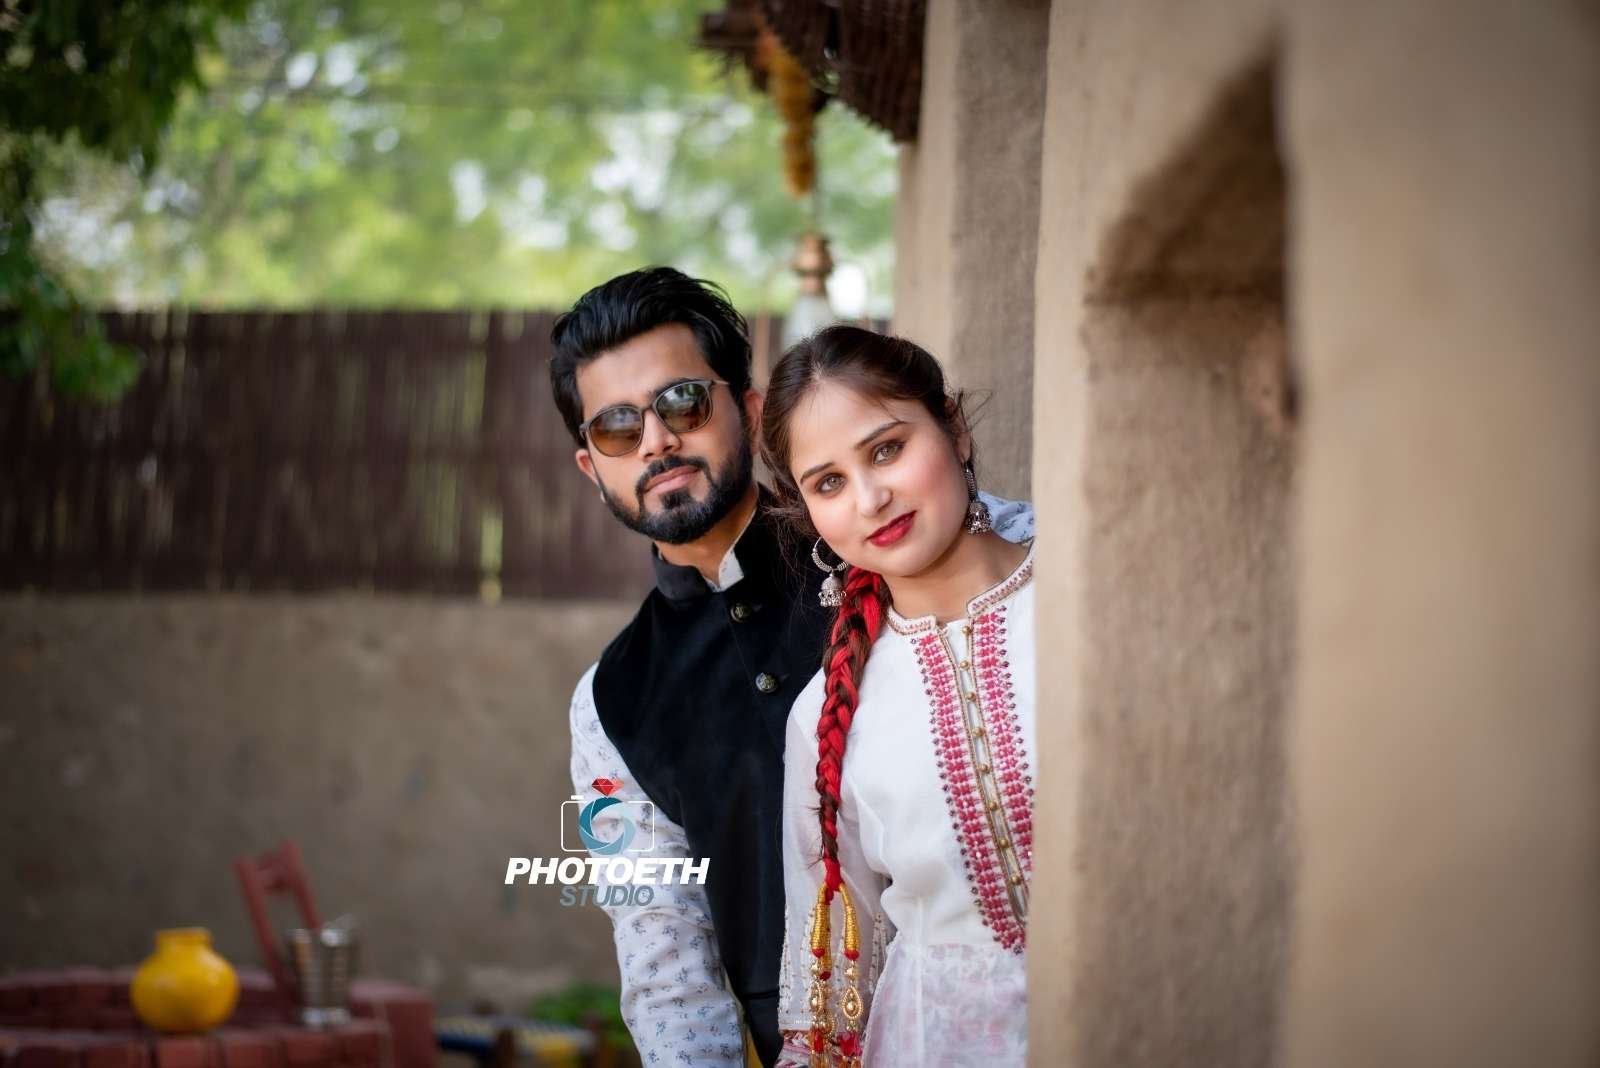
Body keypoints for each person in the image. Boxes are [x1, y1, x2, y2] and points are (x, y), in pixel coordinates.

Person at [549, 269, 1032, 1066]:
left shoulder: (892, 540)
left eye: (682, 403)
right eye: (617, 428)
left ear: (747, 410)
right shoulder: (608, 705)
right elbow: (663, 958)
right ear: (590, 467)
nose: (655, 441)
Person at [760, 325, 1036, 1066]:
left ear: (955, 429)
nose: (871, 498)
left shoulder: (1081, 598)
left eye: (886, 450)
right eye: (829, 483)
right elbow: (825, 988)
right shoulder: (825, 714)